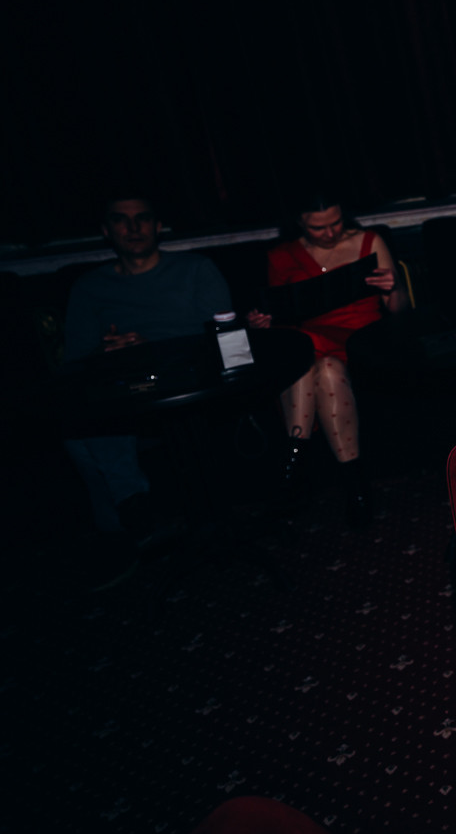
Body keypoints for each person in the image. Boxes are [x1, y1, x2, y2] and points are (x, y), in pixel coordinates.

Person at [62, 195, 232, 586]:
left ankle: (127, 527)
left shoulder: (195, 269)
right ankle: (133, 517)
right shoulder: (90, 286)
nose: (133, 228)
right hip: (124, 386)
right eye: (121, 220)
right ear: (107, 231)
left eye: (142, 219)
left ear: (157, 226)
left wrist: (151, 347)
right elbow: (74, 360)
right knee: (83, 424)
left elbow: (223, 336)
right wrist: (105, 352)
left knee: (97, 429)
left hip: (187, 378)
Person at [246, 197, 401, 527]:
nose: (330, 233)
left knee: (303, 354)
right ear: (300, 223)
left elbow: (398, 310)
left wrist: (393, 288)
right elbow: (278, 316)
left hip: (361, 339)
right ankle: (356, 485)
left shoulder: (369, 240)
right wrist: (262, 323)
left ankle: (292, 462)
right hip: (314, 345)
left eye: (336, 223)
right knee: (322, 366)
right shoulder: (282, 255)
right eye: (319, 228)